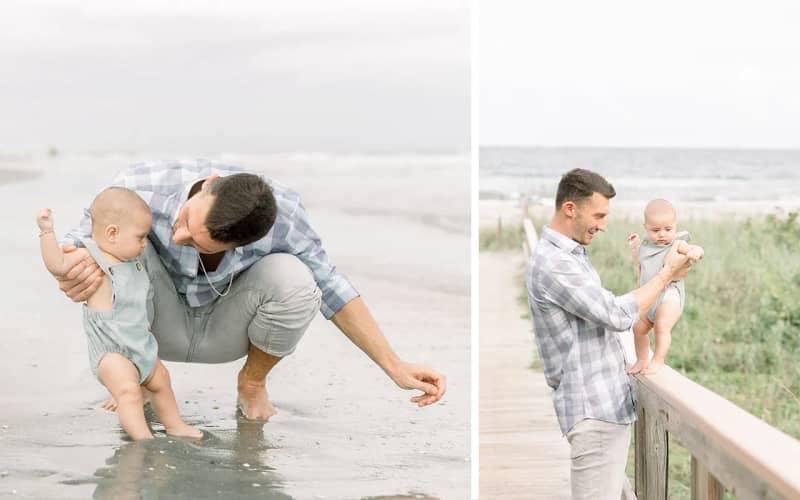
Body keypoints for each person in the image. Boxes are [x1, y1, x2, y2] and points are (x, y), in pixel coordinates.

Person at [52, 159, 446, 421]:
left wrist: (396, 367)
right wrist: (75, 269)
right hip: (153, 327)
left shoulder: (284, 218)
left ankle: (252, 385)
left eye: (197, 242)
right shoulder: (140, 187)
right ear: (208, 185)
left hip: (226, 325)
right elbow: (73, 240)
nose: (179, 233)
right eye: (189, 219)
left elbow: (333, 287)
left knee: (298, 279)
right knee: (106, 248)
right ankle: (138, 379)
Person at [526, 168, 694, 500]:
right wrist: (667, 274)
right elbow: (615, 314)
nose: (603, 225)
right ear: (570, 208)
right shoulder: (555, 264)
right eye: (599, 215)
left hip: (601, 408)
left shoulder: (570, 255)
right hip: (595, 411)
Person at [37, 187, 202, 440]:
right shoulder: (92, 257)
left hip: (140, 343)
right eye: (140, 237)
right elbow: (57, 264)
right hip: (111, 350)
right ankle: (141, 437)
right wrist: (47, 232)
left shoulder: (133, 262)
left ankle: (175, 425)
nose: (145, 243)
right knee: (128, 392)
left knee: (161, 381)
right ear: (112, 233)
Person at [626, 199, 705, 375]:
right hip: (650, 297)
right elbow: (643, 265)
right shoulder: (646, 246)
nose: (662, 234)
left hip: (669, 296)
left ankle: (658, 360)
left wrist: (695, 252)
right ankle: (642, 359)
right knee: (638, 329)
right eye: (655, 230)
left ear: (675, 227)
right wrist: (636, 248)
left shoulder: (677, 244)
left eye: (668, 229)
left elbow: (693, 248)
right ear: (645, 227)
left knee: (662, 326)